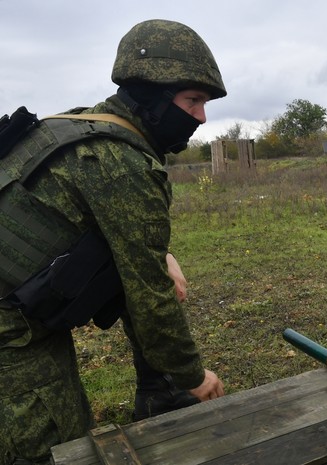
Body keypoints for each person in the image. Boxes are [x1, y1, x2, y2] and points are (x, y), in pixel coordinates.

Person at [0, 19, 227, 464]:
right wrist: (192, 374)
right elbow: (151, 297)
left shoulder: (73, 128)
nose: (201, 117)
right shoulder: (122, 162)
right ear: (152, 97)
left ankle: (156, 394)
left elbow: (101, 228)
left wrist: (160, 255)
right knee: (55, 447)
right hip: (12, 336)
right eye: (193, 100)